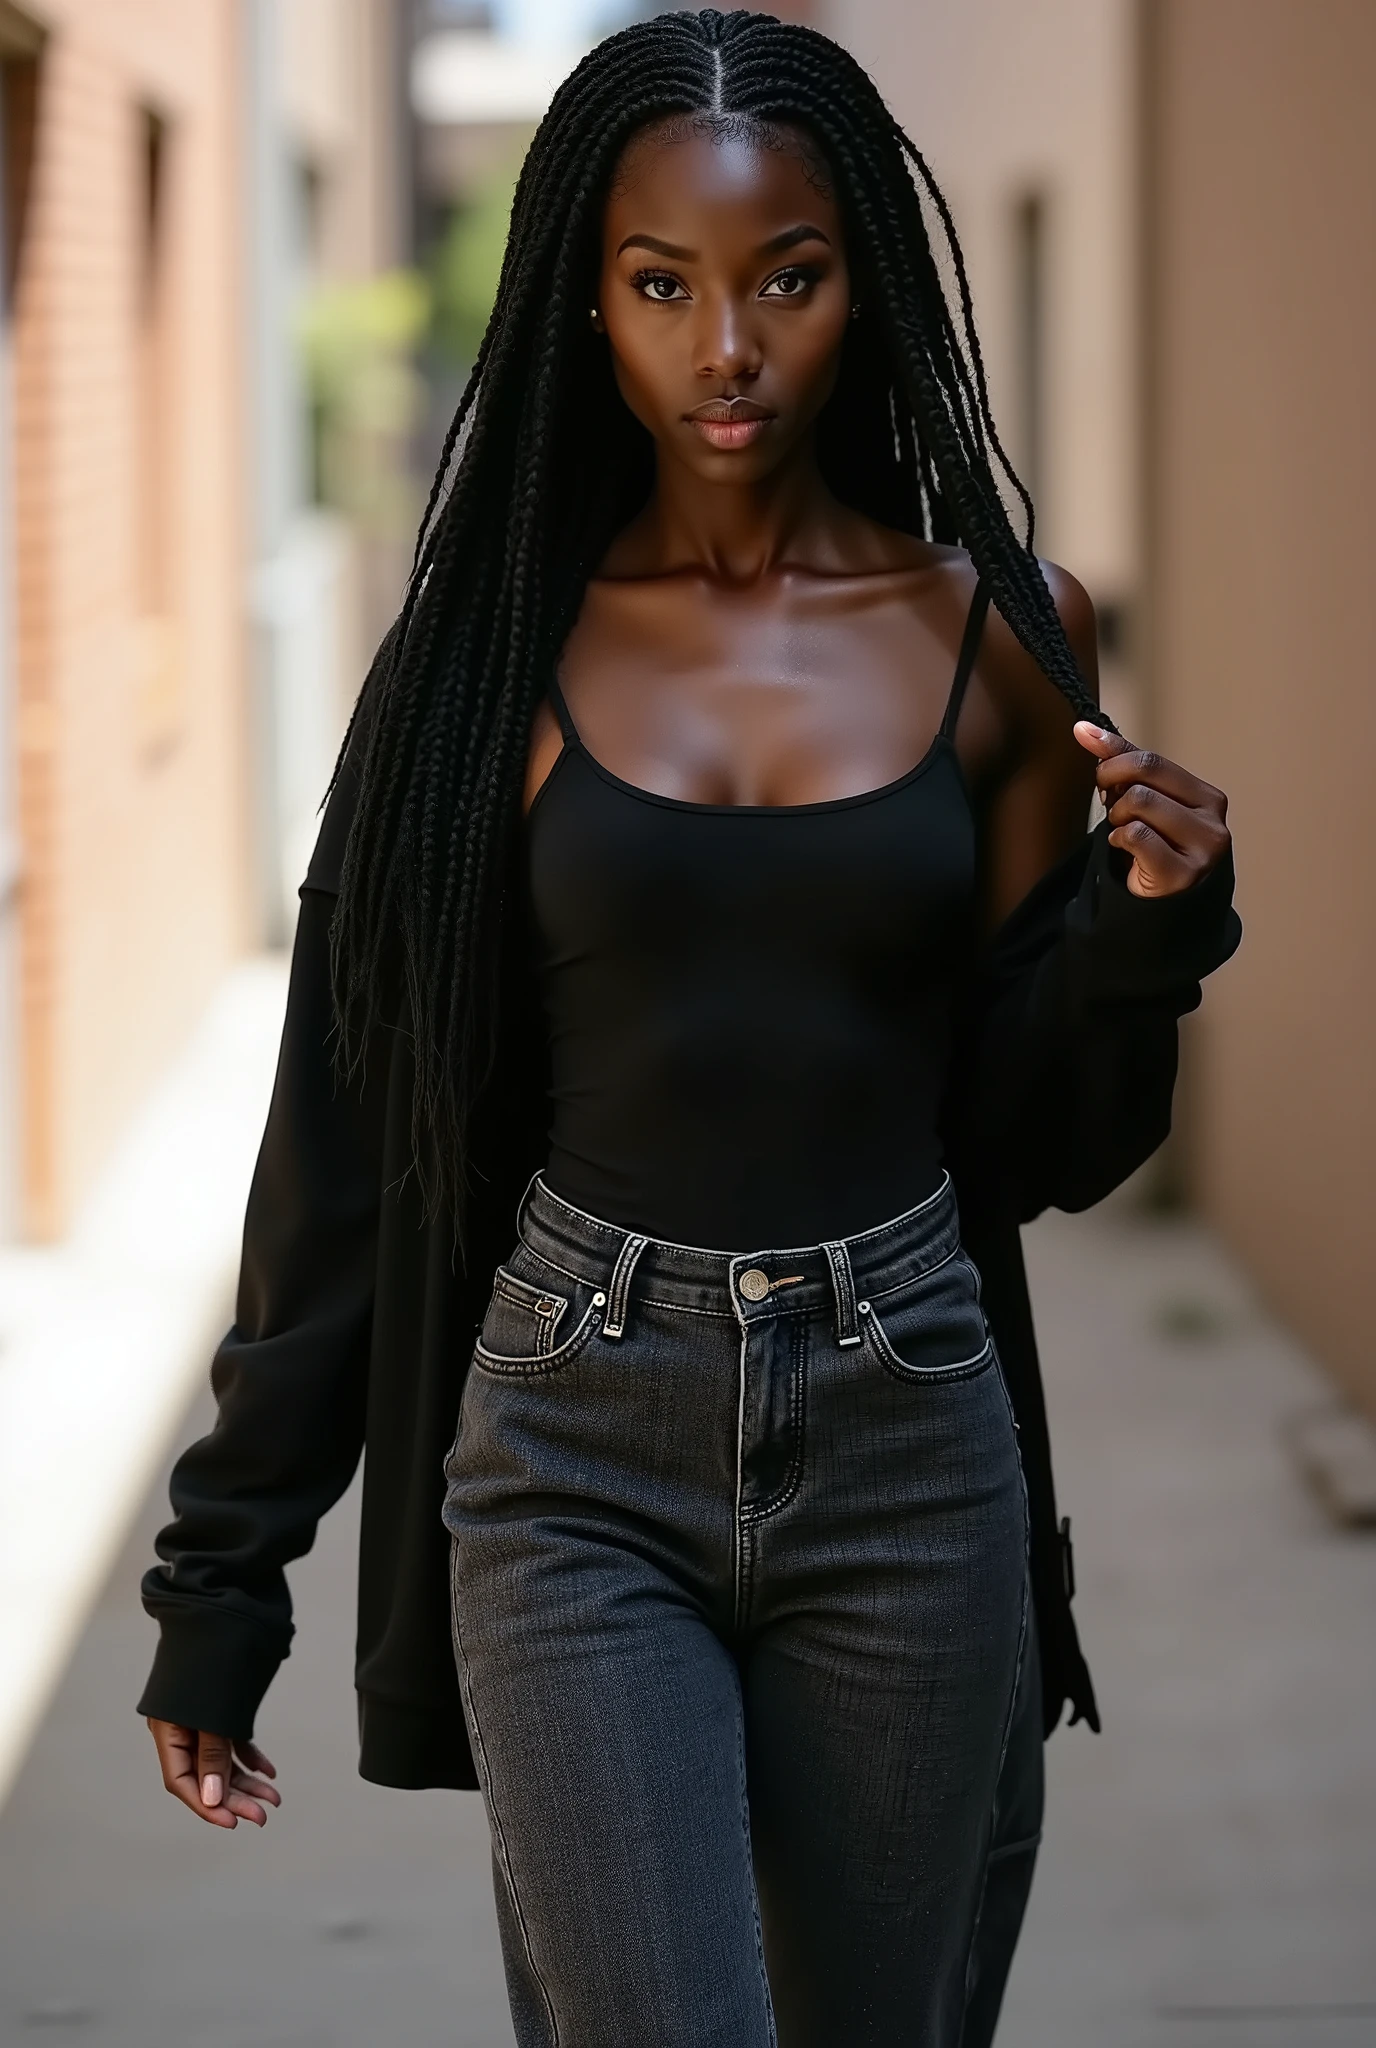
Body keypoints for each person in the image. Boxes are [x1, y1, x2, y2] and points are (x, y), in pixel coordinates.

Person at [138, 11, 1239, 2044]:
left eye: (785, 279)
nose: (724, 344)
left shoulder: (1002, 633)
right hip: (570, 1436)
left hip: (909, 1419)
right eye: (662, 284)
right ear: (589, 298)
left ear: (863, 286)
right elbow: (351, 1138)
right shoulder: (482, 664)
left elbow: (1040, 1146)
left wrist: (1139, 935)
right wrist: (225, 1573)